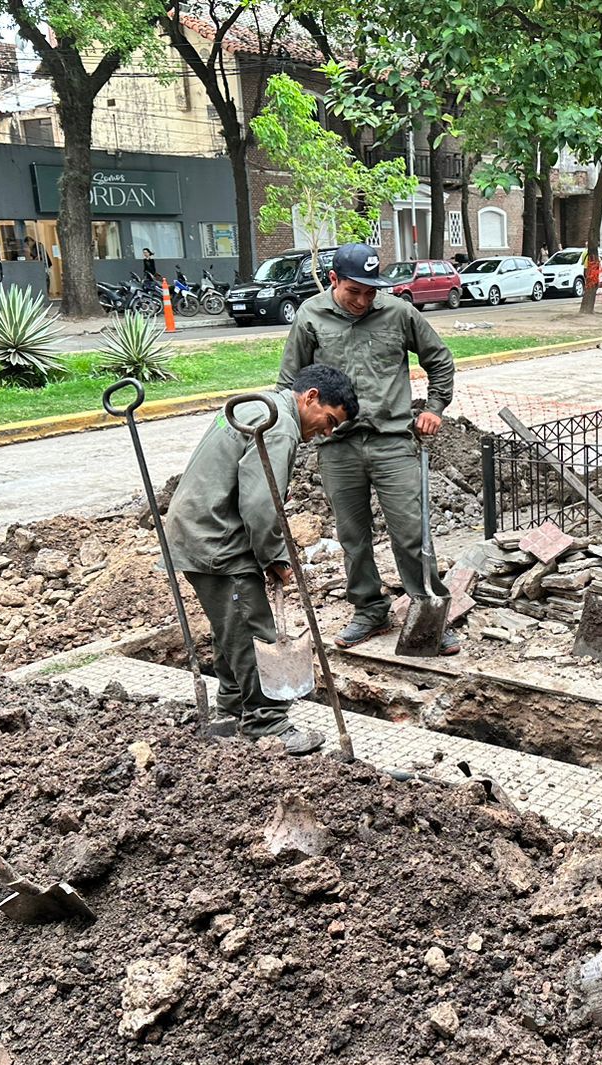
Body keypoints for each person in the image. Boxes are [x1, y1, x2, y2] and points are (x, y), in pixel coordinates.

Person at [165, 365, 359, 751]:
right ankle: (266, 722)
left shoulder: (258, 405)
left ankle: (232, 706)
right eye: (329, 420)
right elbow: (259, 504)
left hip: (195, 528)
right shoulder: (280, 425)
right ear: (311, 397)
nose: (327, 432)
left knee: (231, 626)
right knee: (253, 631)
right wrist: (275, 555)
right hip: (217, 537)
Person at [278, 243, 459, 653]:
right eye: (353, 291)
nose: (362, 300)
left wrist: (434, 408)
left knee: (412, 533)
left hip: (393, 442)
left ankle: (427, 610)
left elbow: (440, 359)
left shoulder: (398, 313)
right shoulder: (310, 317)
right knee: (353, 537)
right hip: (337, 446)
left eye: (370, 292)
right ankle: (370, 609)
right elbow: (289, 384)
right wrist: (283, 444)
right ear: (333, 281)